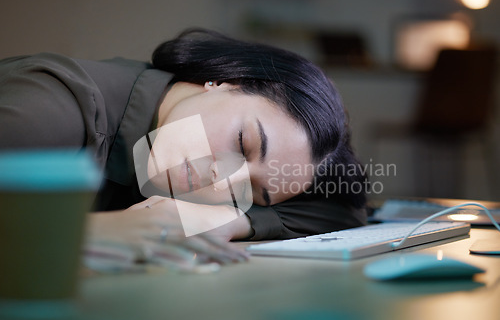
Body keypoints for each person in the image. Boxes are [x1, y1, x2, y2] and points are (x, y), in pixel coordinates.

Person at [0, 28, 367, 265]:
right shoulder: (51, 109)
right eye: (242, 143)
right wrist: (96, 232)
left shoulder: (168, 136)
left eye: (252, 192)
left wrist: (229, 219)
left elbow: (342, 213)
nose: (223, 185)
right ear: (224, 80)